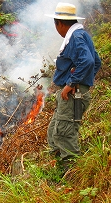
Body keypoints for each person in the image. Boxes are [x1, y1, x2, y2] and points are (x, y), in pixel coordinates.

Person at [45, 3, 101, 168]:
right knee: (54, 131)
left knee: (64, 134)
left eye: (56, 25)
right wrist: (84, 80)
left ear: (60, 23)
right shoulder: (82, 35)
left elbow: (89, 61)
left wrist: (73, 83)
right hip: (72, 94)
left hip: (72, 94)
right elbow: (96, 62)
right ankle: (54, 168)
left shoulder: (75, 37)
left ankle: (70, 174)